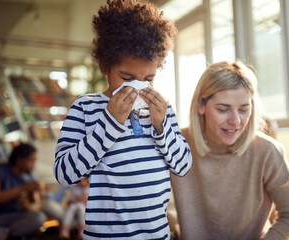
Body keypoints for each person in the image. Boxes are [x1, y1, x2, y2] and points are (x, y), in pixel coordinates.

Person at [53, 0, 192, 239]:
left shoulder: (162, 109)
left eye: (148, 78)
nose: (138, 86)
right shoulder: (85, 108)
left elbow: (183, 166)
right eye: (127, 77)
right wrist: (110, 121)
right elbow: (65, 174)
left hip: (156, 234)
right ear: (104, 66)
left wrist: (162, 127)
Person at [170, 61, 289, 240]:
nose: (235, 121)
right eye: (223, 109)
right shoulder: (174, 144)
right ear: (200, 105)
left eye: (244, 109)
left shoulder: (268, 152)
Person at [0, 143, 47, 240]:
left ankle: (2, 234)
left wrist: (30, 207)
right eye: (31, 161)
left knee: (40, 217)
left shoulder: (31, 176)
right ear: (19, 160)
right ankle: (10, 235)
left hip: (17, 217)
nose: (34, 166)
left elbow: (37, 205)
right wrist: (21, 189)